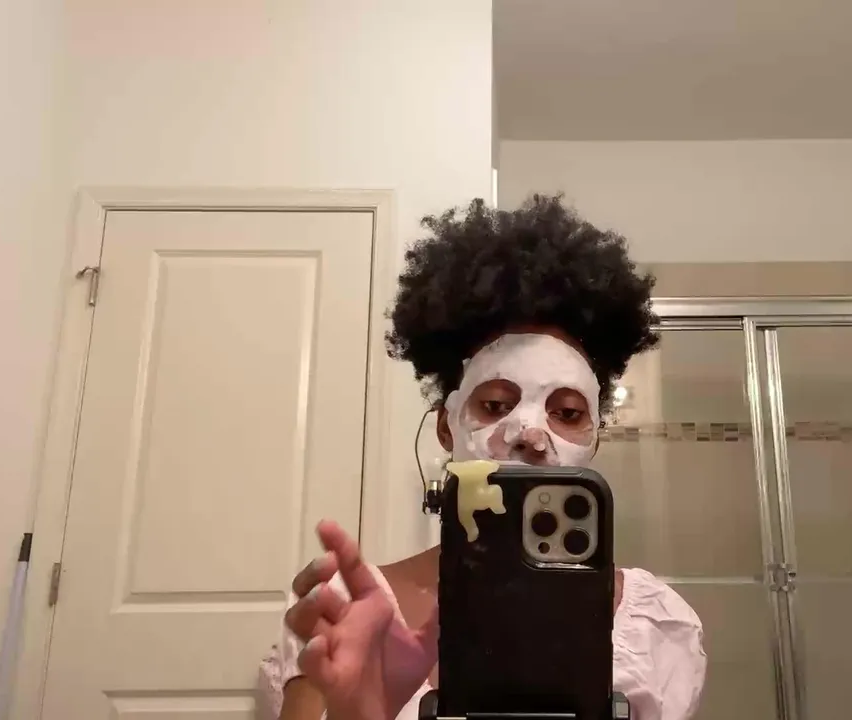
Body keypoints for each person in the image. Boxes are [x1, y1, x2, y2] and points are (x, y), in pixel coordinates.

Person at [258, 195, 707, 720]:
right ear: (446, 426)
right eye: (494, 405)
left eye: (567, 412)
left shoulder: (657, 625)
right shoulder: (350, 612)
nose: (531, 435)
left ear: (594, 440)